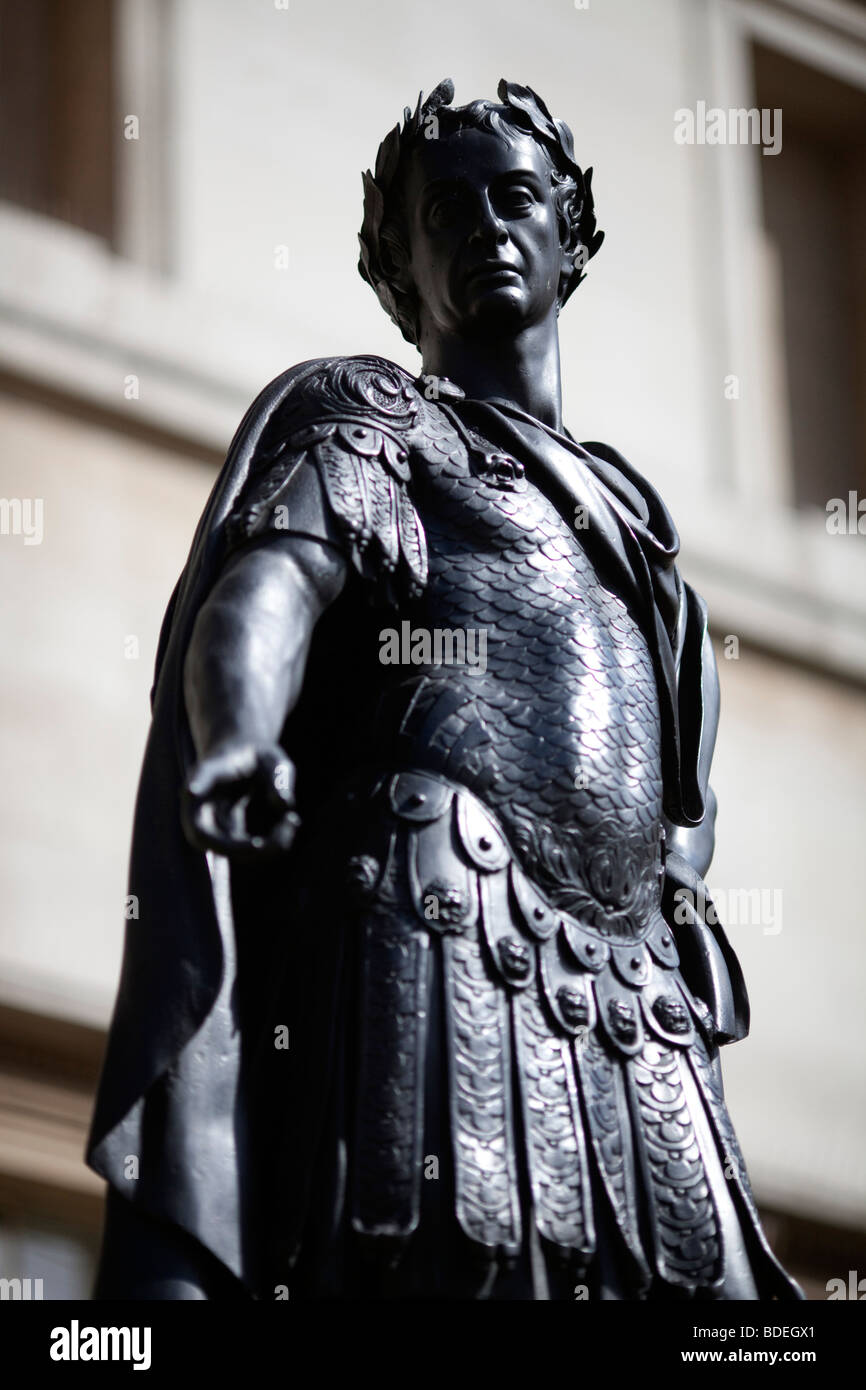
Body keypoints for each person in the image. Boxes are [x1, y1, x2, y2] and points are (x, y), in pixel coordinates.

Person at [88, 78, 802, 1300]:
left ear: (568, 232)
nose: (482, 225)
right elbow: (264, 594)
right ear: (398, 264)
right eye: (444, 211)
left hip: (634, 988)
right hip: (445, 908)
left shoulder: (637, 525)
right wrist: (236, 732)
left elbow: (683, 792)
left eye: (514, 197)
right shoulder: (374, 419)